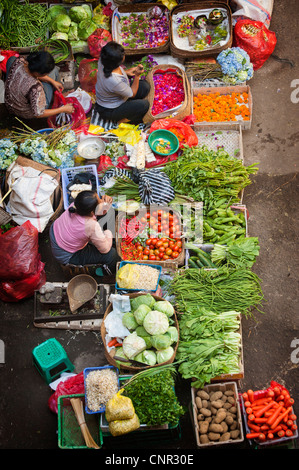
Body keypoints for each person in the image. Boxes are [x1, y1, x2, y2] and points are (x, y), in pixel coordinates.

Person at [49, 191, 119, 272]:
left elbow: (97, 213)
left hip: (57, 232)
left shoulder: (76, 205)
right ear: (92, 212)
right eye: (100, 201)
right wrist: (108, 232)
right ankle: (105, 272)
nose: (102, 201)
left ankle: (104, 240)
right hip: (65, 253)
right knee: (112, 254)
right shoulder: (90, 225)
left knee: (109, 212)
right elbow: (105, 249)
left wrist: (105, 207)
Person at [4, 50, 74, 120]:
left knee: (11, 59)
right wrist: (63, 109)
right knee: (48, 86)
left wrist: (53, 81)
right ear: (39, 73)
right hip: (22, 112)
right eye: (46, 73)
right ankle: (56, 97)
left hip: (9, 102)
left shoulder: (20, 61)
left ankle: (59, 95)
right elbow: (39, 113)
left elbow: (33, 73)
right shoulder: (35, 88)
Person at [95, 41, 150, 125]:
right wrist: (137, 76)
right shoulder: (114, 81)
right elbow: (132, 93)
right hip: (109, 109)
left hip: (115, 94)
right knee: (144, 105)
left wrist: (126, 72)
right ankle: (123, 121)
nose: (124, 55)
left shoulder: (103, 60)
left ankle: (130, 106)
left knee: (145, 86)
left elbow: (115, 71)